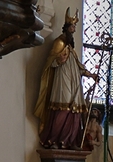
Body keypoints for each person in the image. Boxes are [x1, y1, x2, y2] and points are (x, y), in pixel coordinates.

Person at [34, 8, 99, 149]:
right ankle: (54, 140)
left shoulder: (71, 48)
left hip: (74, 82)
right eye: (72, 26)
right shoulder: (59, 43)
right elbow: (50, 62)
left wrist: (91, 75)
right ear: (67, 27)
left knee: (75, 110)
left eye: (75, 27)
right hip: (62, 82)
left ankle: (69, 141)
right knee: (62, 109)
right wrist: (58, 60)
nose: (74, 29)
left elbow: (79, 67)